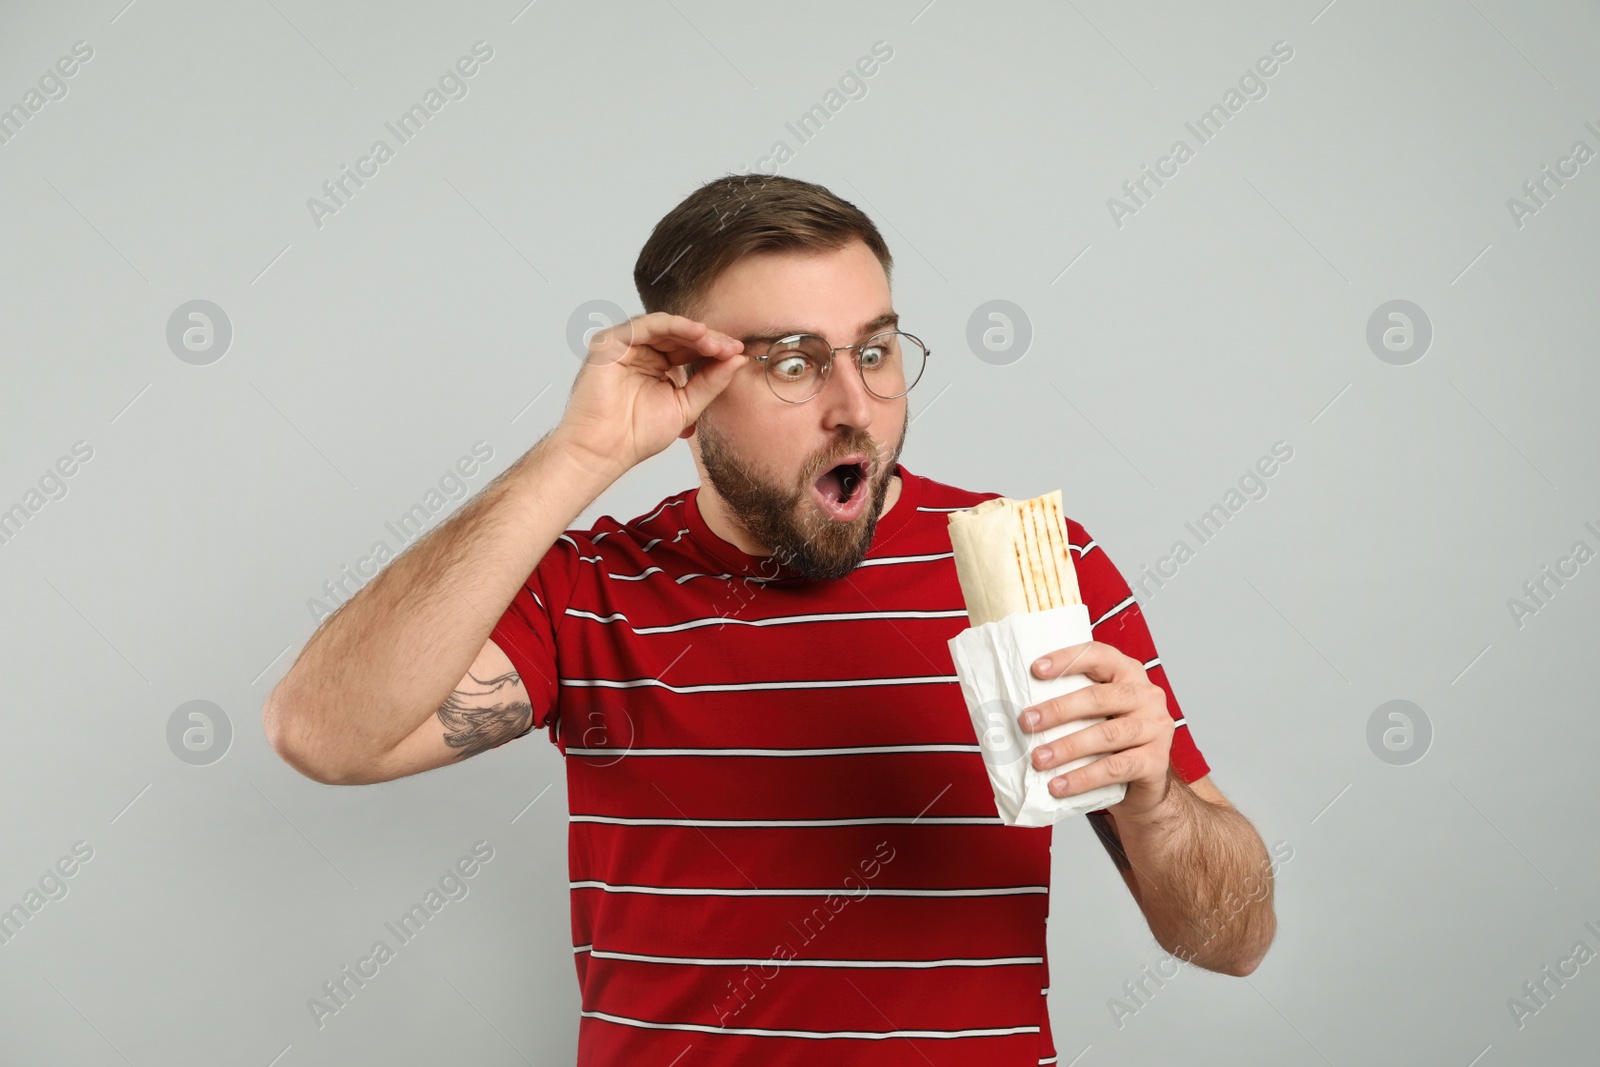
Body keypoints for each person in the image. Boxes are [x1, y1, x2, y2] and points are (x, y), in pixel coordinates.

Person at [263, 174, 1277, 1065]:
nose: (856, 406)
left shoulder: (1038, 567)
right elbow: (322, 733)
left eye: (875, 351)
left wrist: (1152, 796)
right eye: (793, 363)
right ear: (686, 389)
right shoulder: (593, 589)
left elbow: (1232, 939)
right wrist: (580, 453)